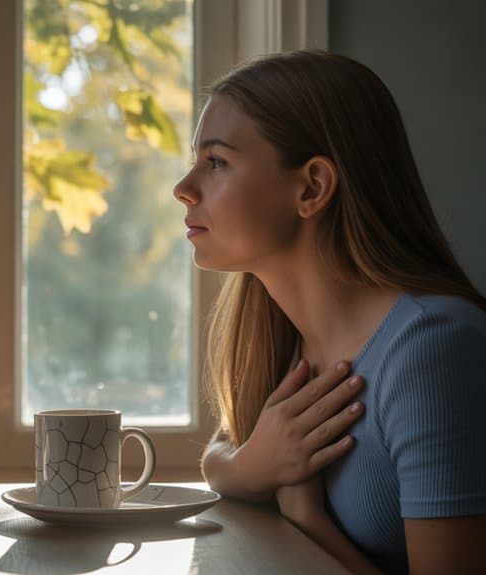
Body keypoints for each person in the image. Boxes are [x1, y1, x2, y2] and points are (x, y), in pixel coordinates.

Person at [174, 50, 486, 574]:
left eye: (217, 162)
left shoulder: (435, 350)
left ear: (312, 187)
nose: (183, 189)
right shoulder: (283, 335)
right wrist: (255, 465)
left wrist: (307, 519)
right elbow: (219, 457)